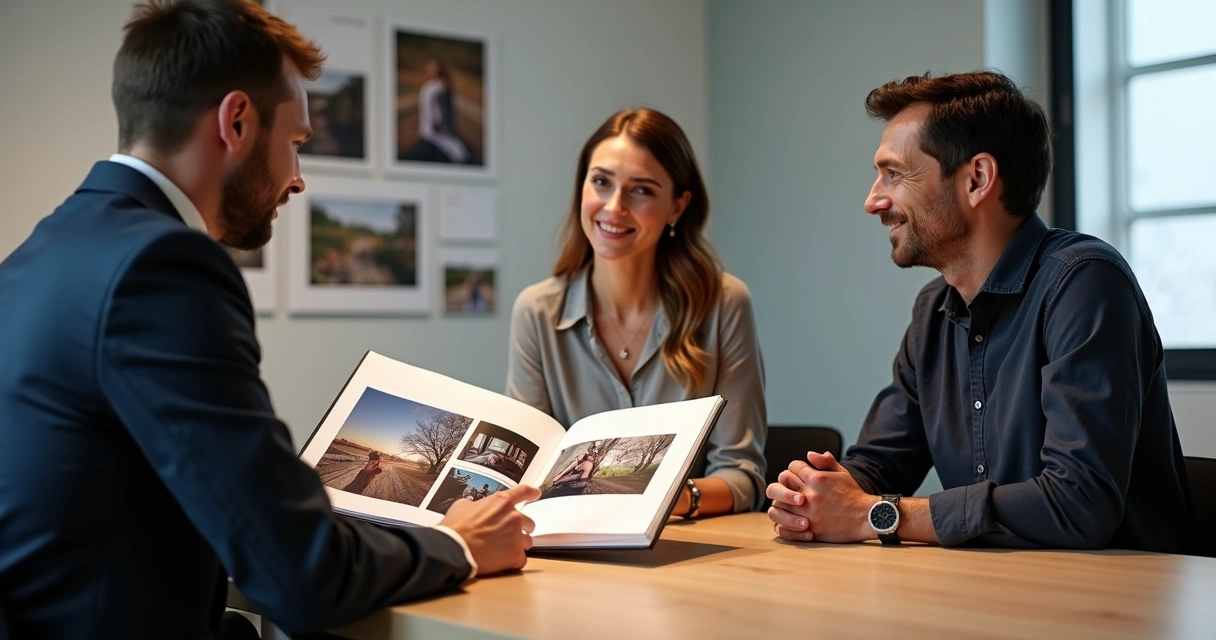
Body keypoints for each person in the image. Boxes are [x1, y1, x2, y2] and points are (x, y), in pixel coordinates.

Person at [0, 1, 538, 638]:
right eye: (296, 143)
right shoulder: (164, 265)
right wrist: (460, 544)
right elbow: (302, 575)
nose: (298, 179)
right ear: (236, 121)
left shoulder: (37, 254)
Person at [766, 70, 1205, 555]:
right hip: (992, 591)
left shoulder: (1085, 281)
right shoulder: (933, 309)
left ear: (976, 179)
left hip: (1113, 603)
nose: (874, 200)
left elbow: (1078, 502)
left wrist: (875, 513)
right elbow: (882, 463)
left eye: (895, 174)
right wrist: (816, 493)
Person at [507, 108, 767, 519]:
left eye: (641, 190)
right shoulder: (536, 312)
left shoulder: (724, 303)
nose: (614, 207)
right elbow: (528, 468)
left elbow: (742, 476)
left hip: (682, 545)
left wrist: (667, 500)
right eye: (601, 182)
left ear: (677, 207)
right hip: (569, 550)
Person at [416, 59, 470, 163]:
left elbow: (441, 109)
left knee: (458, 153)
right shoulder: (434, 87)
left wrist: (439, 124)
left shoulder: (437, 88)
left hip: (436, 130)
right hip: (433, 131)